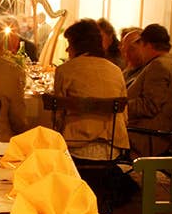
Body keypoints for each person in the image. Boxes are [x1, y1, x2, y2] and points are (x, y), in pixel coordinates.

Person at [52, 19, 129, 161]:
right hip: (112, 148)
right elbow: (124, 116)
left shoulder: (65, 70)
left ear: (77, 45)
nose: (67, 49)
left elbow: (58, 116)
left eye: (69, 44)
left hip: (74, 146)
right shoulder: (116, 71)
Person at [126, 23, 172, 156]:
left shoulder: (159, 66)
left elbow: (150, 106)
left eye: (141, 45)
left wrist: (120, 106)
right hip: (150, 130)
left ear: (148, 45)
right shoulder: (169, 62)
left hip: (146, 135)